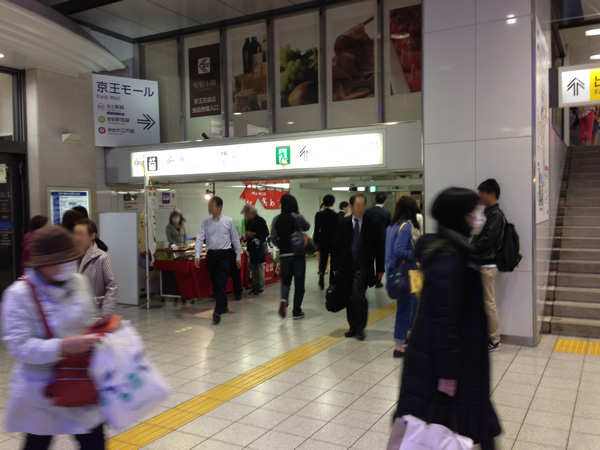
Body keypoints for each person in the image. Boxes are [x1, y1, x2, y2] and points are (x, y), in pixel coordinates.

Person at [393, 187, 501, 450]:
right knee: (445, 425)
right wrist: (448, 373)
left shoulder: (455, 250)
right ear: (460, 215)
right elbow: (445, 321)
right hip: (445, 364)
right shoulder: (449, 258)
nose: (478, 216)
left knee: (475, 422)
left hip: (457, 359)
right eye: (474, 210)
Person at [2, 226, 105, 449]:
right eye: (59, 261)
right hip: (41, 388)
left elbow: (90, 318)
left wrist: (101, 331)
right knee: (38, 442)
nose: (67, 265)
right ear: (41, 263)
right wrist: (64, 345)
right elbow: (20, 346)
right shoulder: (18, 295)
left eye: (69, 259)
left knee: (94, 441)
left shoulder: (79, 282)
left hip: (79, 380)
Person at [332, 194, 384, 340]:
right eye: (358, 205)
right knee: (348, 297)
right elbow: (336, 245)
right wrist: (335, 264)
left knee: (357, 295)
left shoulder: (372, 224)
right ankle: (353, 326)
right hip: (346, 266)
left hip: (363, 266)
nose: (361, 209)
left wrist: (380, 268)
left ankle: (360, 327)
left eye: (363, 205)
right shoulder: (344, 223)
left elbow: (379, 247)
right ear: (351, 207)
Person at [195, 196, 242, 324]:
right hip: (211, 255)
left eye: (212, 205)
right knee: (216, 283)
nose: (209, 208)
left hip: (225, 255)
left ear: (219, 207)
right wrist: (197, 254)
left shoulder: (228, 221)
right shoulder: (206, 223)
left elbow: (235, 239)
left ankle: (217, 310)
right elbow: (200, 238)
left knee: (221, 282)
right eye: (209, 205)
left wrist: (238, 256)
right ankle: (224, 306)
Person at [472, 179, 505, 352]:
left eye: (482, 193)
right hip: (483, 262)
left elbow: (487, 239)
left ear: (491, 194)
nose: (479, 196)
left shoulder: (495, 214)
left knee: (488, 303)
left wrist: (470, 249)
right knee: (484, 303)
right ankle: (488, 337)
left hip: (488, 264)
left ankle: (494, 340)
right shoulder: (488, 212)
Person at [385, 197, 421, 357]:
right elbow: (399, 250)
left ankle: (407, 335)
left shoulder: (391, 226)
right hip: (405, 274)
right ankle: (399, 346)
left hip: (395, 273)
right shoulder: (405, 226)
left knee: (414, 302)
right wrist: (415, 254)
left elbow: (390, 252)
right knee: (404, 309)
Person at [271, 194, 310, 320]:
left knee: (286, 281)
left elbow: (273, 238)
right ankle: (296, 311)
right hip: (298, 255)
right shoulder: (297, 216)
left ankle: (284, 299)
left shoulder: (276, 219)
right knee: (299, 284)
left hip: (284, 256)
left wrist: (282, 246)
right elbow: (307, 227)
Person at [74, 219, 118, 317]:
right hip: (74, 314)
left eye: (80, 234)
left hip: (96, 313)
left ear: (92, 236)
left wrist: (106, 314)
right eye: (75, 234)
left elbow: (112, 286)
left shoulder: (102, 257)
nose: (76, 238)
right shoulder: (69, 258)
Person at [241, 205, 269, 295]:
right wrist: (245, 237)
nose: (246, 216)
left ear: (252, 213)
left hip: (259, 246)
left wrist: (254, 235)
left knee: (259, 267)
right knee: (253, 267)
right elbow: (247, 234)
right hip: (251, 247)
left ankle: (261, 287)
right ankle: (254, 286)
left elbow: (266, 233)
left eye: (247, 214)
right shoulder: (248, 222)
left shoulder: (260, 221)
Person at [313, 194, 338, 290]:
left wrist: (316, 242)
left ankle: (321, 276)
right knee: (333, 261)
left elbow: (316, 229)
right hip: (333, 241)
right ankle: (332, 282)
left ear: (324, 203)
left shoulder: (319, 214)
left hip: (322, 241)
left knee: (323, 260)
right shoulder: (335, 215)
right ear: (333, 203)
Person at [367, 193, 392, 288]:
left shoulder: (368, 211)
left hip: (369, 240)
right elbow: (389, 227)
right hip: (382, 240)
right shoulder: (387, 213)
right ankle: (378, 281)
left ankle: (370, 280)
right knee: (380, 261)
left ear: (375, 200)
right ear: (385, 201)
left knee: (369, 260)